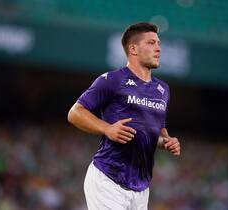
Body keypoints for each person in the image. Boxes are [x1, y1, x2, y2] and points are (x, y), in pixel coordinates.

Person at [67, 22, 181, 210]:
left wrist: (166, 140)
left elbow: (157, 128)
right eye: (151, 43)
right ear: (133, 49)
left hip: (141, 188)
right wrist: (107, 128)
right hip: (108, 181)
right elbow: (75, 113)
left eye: (159, 43)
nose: (158, 48)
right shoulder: (113, 80)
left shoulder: (163, 90)